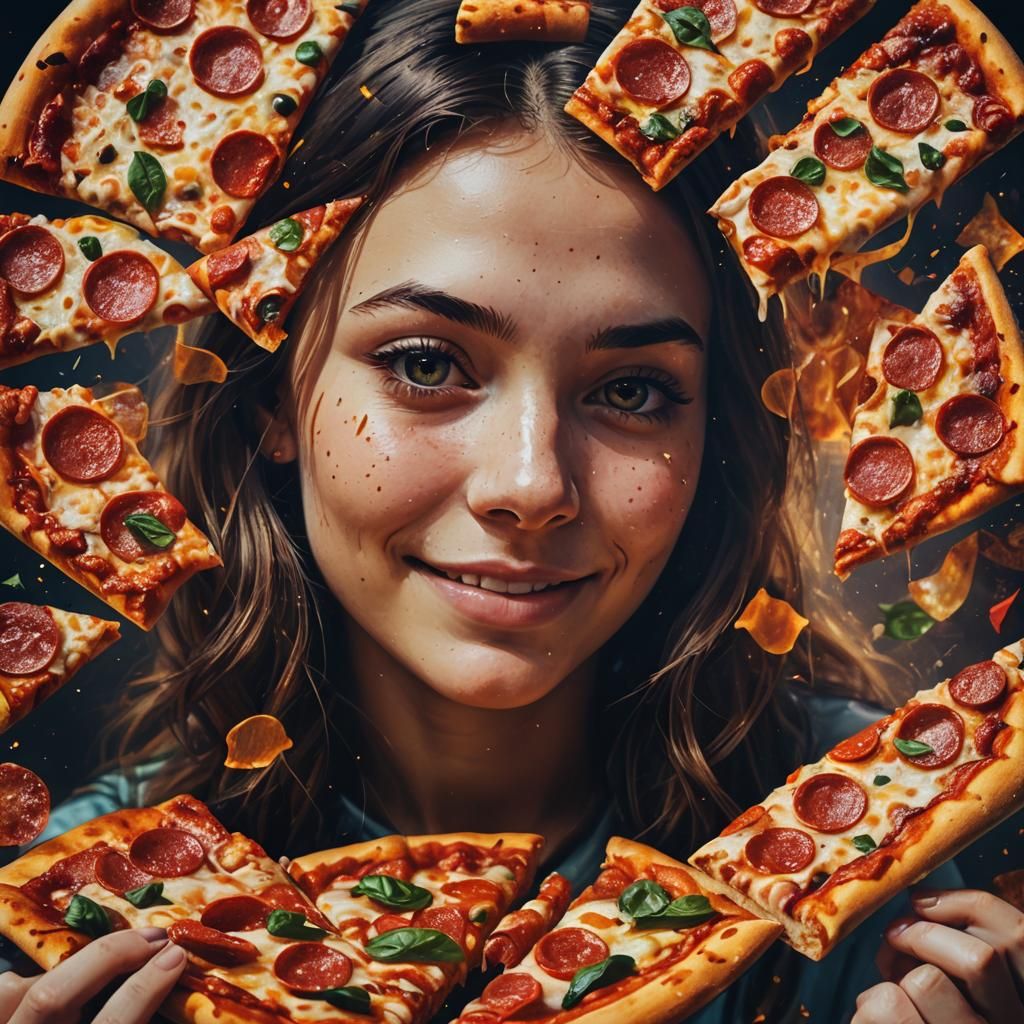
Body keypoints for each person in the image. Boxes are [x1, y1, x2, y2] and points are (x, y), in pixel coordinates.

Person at [1, 2, 1021, 1023]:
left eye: (630, 390)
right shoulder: (81, 906)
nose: (531, 484)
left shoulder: (888, 862)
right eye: (428, 364)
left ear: (716, 430)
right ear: (273, 397)